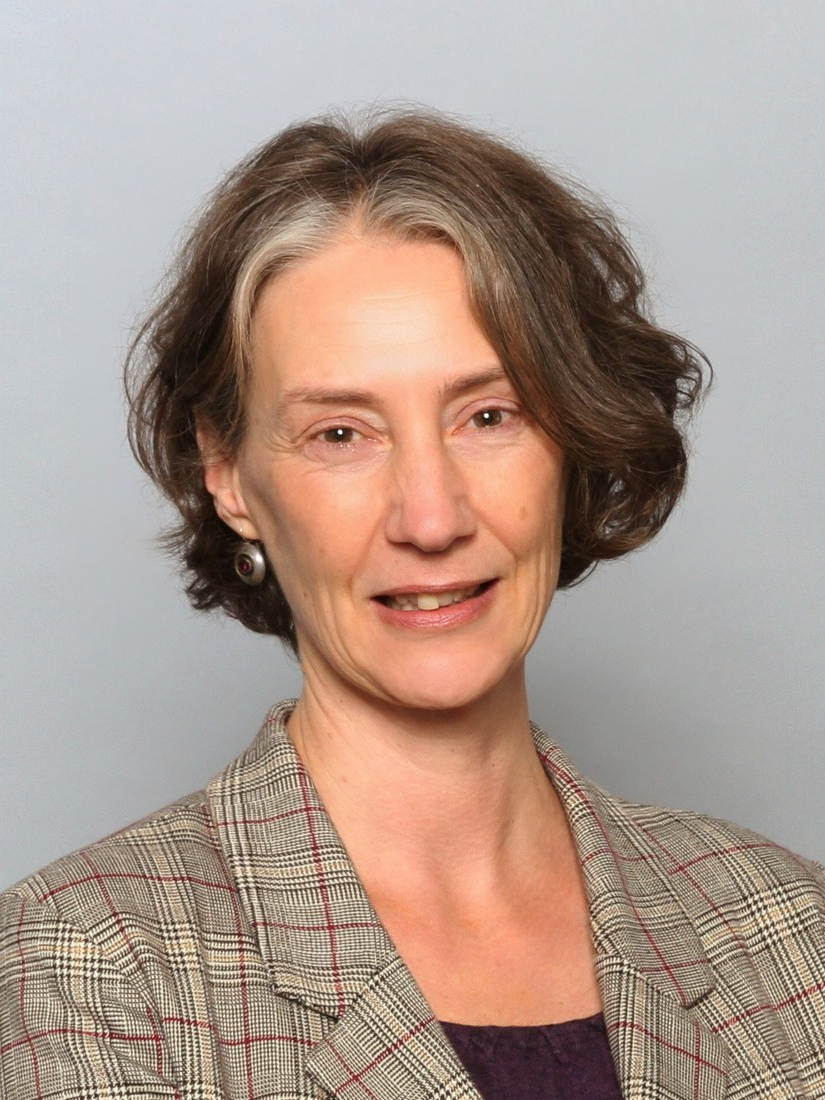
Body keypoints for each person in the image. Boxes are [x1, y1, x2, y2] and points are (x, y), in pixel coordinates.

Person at [1, 108, 824, 1100]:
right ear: (228, 475)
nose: (431, 518)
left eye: (489, 415)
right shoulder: (91, 967)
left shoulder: (791, 932)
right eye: (341, 434)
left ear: (572, 438)